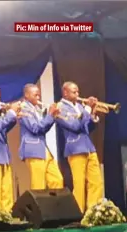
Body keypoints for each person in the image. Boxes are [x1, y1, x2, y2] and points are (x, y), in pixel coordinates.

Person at [55, 81, 104, 212]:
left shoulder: (80, 106)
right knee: (79, 184)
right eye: (74, 92)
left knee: (96, 182)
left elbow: (87, 127)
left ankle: (93, 212)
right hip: (75, 148)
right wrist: (87, 109)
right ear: (65, 92)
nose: (77, 94)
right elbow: (75, 126)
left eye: (78, 91)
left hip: (89, 147)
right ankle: (79, 214)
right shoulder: (59, 108)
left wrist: (92, 114)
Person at [19, 84, 64, 190]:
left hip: (43, 148)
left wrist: (52, 116)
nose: (38, 98)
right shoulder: (23, 109)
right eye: (35, 95)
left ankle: (54, 205)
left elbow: (43, 129)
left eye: (39, 95)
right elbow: (35, 128)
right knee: (39, 185)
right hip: (33, 149)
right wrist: (50, 115)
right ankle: (39, 207)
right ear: (27, 95)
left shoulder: (36, 109)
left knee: (57, 180)